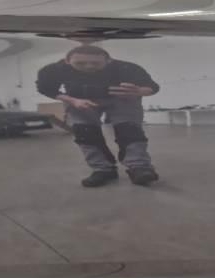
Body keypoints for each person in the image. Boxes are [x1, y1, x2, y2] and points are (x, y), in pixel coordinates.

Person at [36, 45, 160, 187]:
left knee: (129, 130)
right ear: (67, 61)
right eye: (80, 63)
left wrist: (139, 91)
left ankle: (139, 168)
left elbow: (152, 87)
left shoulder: (127, 67)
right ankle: (103, 169)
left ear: (109, 60)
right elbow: (45, 88)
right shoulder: (54, 70)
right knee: (85, 133)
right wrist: (73, 100)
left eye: (96, 63)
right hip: (79, 99)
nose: (88, 66)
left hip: (121, 99)